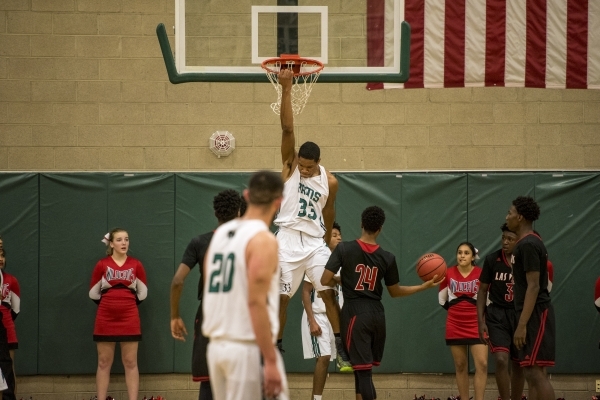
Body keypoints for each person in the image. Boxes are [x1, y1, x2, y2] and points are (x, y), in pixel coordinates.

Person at [321, 206, 439, 400]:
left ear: (361, 224)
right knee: (363, 371)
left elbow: (325, 279)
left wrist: (343, 279)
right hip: (377, 314)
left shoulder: (344, 248)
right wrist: (423, 287)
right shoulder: (387, 257)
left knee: (363, 373)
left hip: (355, 313)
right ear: (380, 229)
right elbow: (395, 291)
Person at [274, 68, 348, 370]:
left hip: (315, 241)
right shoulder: (291, 164)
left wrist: (327, 244)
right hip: (287, 239)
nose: (303, 170)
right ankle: (277, 346)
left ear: (318, 162)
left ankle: (342, 345)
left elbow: (329, 214)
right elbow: (288, 131)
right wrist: (287, 88)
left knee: (328, 291)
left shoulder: (330, 181)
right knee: (282, 299)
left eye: (308, 167)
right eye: (301, 166)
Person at [202, 170, 289, 400]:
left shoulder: (220, 234)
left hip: (216, 347)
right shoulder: (263, 239)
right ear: (279, 201)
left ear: (247, 195)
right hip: (247, 348)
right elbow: (255, 301)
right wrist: (270, 360)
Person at [170, 189, 242, 400]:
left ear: (215, 213)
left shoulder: (199, 242)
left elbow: (177, 281)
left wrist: (174, 316)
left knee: (209, 381)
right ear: (239, 212)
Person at [505, 196, 555, 400]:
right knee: (532, 372)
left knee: (535, 373)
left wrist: (522, 325)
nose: (506, 217)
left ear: (520, 217)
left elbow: (533, 286)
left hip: (535, 314)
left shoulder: (528, 245)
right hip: (530, 313)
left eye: (509, 212)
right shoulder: (526, 243)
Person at [89, 228, 148, 400]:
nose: (124, 243)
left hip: (129, 317)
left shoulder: (136, 264)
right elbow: (93, 293)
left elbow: (143, 293)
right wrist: (110, 304)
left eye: (127, 239)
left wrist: (125, 304)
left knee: (130, 362)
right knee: (103, 362)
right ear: (112, 243)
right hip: (105, 317)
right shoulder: (102, 264)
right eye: (120, 240)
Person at [477, 224, 524, 400]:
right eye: (503, 238)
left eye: (510, 239)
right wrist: (481, 321)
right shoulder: (492, 259)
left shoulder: (524, 260)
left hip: (519, 315)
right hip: (496, 314)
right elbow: (482, 291)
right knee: (501, 359)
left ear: (518, 240)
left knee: (518, 364)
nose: (505, 242)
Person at [439, 242, 488, 400]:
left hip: (477, 324)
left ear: (473, 256)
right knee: (460, 366)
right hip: (455, 323)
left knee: (482, 364)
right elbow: (442, 300)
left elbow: (488, 301)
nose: (462, 255)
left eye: (466, 253)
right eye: (459, 252)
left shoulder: (482, 273)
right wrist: (458, 312)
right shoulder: (447, 273)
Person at [301, 222, 343, 400]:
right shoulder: (317, 260)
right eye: (334, 235)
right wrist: (311, 320)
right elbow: (305, 292)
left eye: (340, 235)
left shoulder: (343, 263)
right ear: (325, 238)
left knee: (327, 361)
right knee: (324, 357)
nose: (339, 237)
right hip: (317, 315)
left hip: (334, 318)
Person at [0, 250, 19, 391]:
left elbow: (16, 309)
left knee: (8, 368)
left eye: (2, 255)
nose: (1, 259)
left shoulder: (11, 280)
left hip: (7, 329)